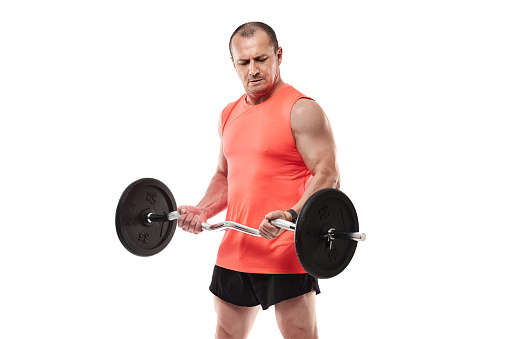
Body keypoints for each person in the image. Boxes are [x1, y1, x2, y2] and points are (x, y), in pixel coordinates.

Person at [177, 22, 339, 339]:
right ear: (234, 63)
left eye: (261, 59)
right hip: (235, 247)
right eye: (244, 62)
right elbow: (225, 176)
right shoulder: (228, 114)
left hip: (286, 250)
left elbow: (328, 174)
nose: (253, 70)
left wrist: (291, 215)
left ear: (278, 55)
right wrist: (201, 211)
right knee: (226, 333)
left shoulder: (301, 110)